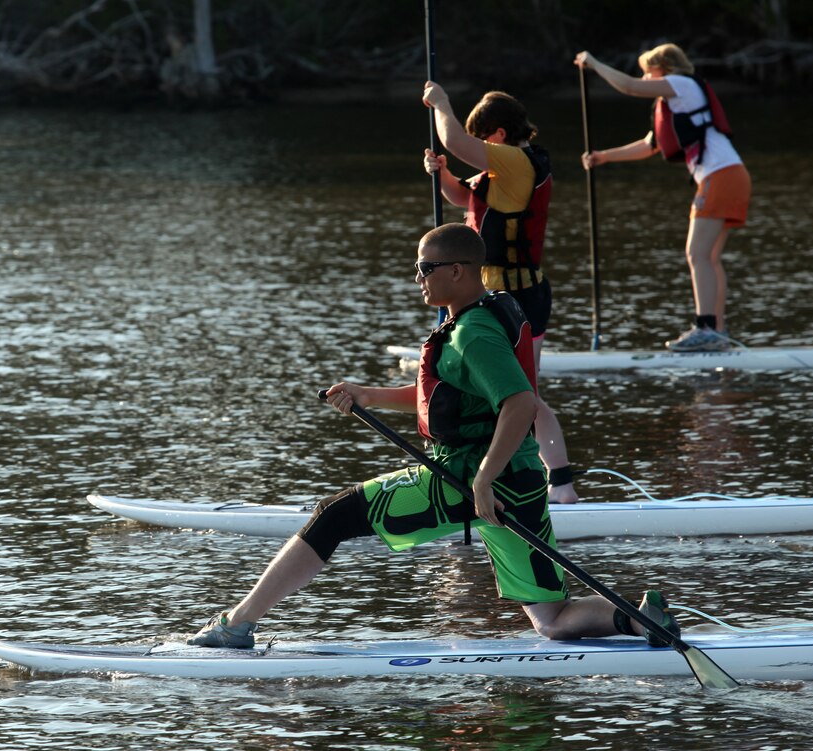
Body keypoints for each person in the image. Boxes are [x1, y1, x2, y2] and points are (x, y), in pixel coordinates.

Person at [187, 223, 680, 650]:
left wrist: (483, 481)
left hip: (467, 477)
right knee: (551, 620)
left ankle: (237, 625)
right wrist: (368, 395)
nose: (417, 277)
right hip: (520, 481)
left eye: (424, 267)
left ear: (458, 271)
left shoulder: (474, 333)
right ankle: (636, 618)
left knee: (332, 516)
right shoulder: (466, 321)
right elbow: (443, 395)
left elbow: (521, 403)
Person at [420, 81, 579, 504]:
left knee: (523, 395)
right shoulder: (500, 170)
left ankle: (559, 485)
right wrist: (443, 173)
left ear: (499, 136)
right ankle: (509, 478)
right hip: (493, 299)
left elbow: (453, 138)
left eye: (481, 140)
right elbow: (463, 197)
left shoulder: (517, 163)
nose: (477, 148)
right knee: (506, 394)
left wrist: (441, 103)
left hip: (519, 299)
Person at [574, 43, 752, 352]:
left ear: (664, 69)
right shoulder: (673, 103)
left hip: (720, 176)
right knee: (708, 258)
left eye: (647, 72)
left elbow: (628, 87)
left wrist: (594, 63)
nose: (644, 78)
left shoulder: (681, 85)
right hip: (731, 174)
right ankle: (717, 331)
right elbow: (649, 145)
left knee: (696, 254)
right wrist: (603, 157)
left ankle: (706, 328)